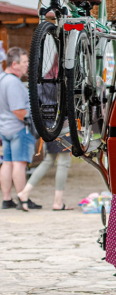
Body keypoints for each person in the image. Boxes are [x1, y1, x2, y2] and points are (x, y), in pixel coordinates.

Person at [0, 48, 40, 211]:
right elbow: (18, 110)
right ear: (14, 64)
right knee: (19, 164)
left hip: (5, 128)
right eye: (24, 62)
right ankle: (23, 198)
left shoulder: (2, 79)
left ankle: (7, 199)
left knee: (7, 163)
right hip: (19, 129)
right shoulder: (14, 83)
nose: (27, 65)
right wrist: (30, 121)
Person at [18, 121, 72, 210]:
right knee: (63, 163)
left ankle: (24, 192)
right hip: (63, 128)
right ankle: (58, 202)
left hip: (49, 129)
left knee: (48, 161)